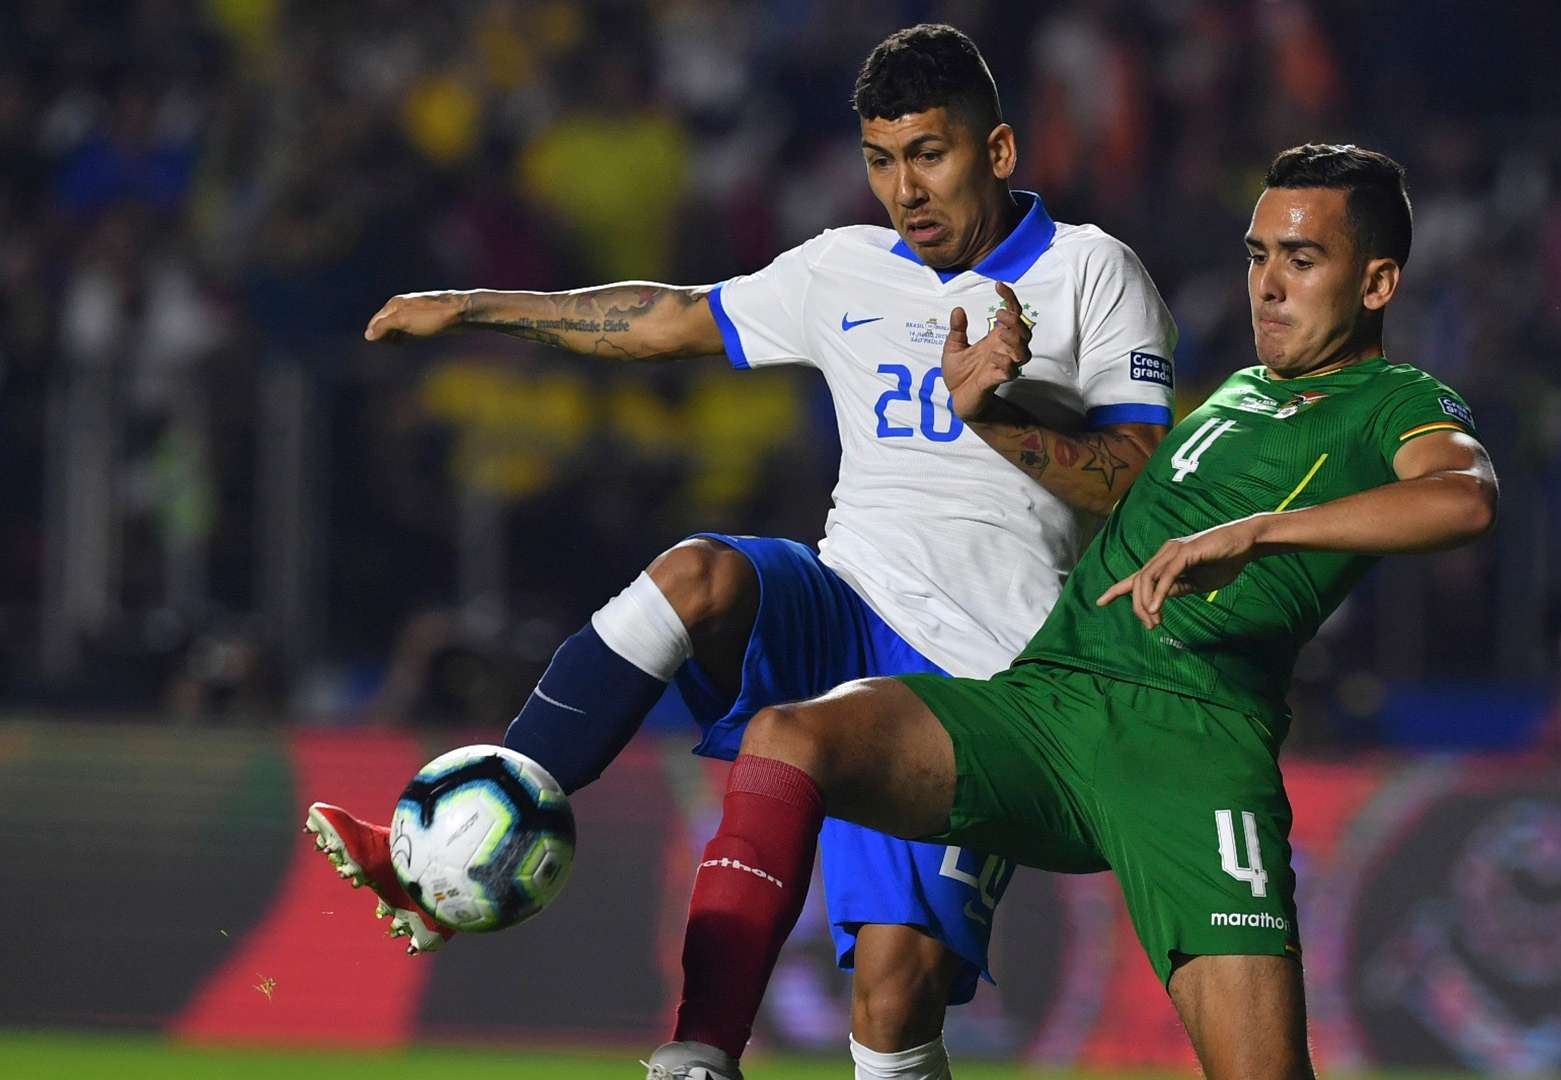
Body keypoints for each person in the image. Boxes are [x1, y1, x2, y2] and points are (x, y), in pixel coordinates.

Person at [303, 23, 1176, 1080]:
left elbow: (1137, 480)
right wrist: (474, 308)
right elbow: (666, 319)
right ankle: (494, 840)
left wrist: (1000, 411)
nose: (906, 189)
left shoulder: (1091, 273)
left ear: (996, 152)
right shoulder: (843, 268)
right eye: (882, 160)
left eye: (930, 155)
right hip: (846, 600)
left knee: (894, 998)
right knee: (697, 575)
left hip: (987, 682)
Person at [644, 144, 1499, 1080]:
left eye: (1303, 260)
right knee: (788, 737)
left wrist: (1259, 531)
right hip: (1047, 705)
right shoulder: (1240, 392)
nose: (1269, 287)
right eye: (1258, 256)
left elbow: (1464, 498)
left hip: (1192, 751)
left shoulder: (1395, 401)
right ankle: (702, 1057)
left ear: (1376, 283)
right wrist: (993, 418)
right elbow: (1106, 489)